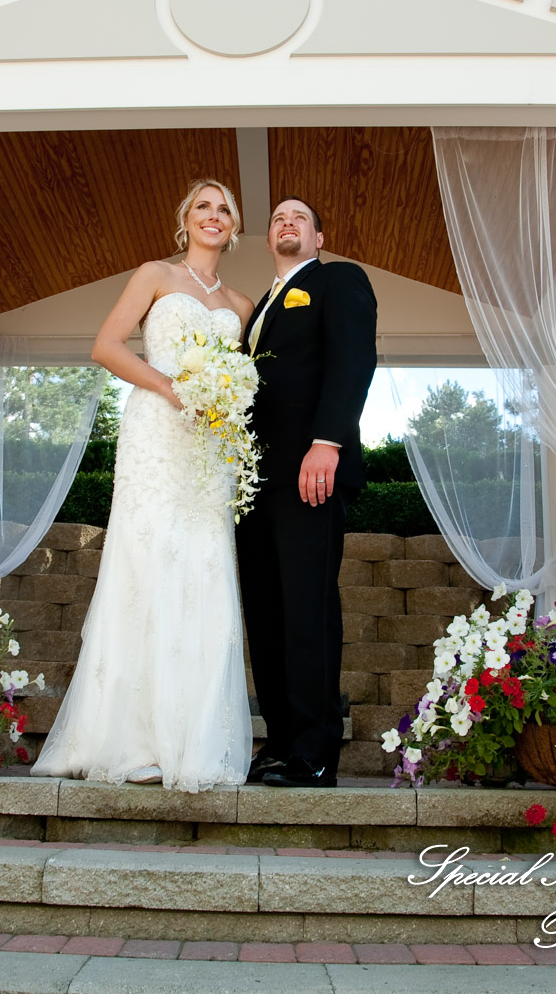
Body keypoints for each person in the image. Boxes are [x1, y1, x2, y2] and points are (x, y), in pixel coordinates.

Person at [30, 179, 256, 792]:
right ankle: (127, 742)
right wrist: (169, 387)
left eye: (225, 209)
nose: (214, 216)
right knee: (147, 564)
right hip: (158, 431)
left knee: (204, 570)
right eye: (203, 207)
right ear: (185, 220)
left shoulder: (241, 305)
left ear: (235, 227)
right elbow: (105, 346)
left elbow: (252, 379)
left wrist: (225, 402)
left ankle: (196, 742)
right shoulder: (155, 273)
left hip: (210, 450)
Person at [237, 198, 378, 788]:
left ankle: (316, 751)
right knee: (265, 613)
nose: (286, 223)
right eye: (277, 219)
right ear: (269, 240)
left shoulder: (339, 280)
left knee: (306, 608)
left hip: (309, 474)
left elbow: (353, 360)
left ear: (320, 235)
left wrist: (327, 442)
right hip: (252, 482)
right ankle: (281, 739)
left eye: (298, 217)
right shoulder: (258, 309)